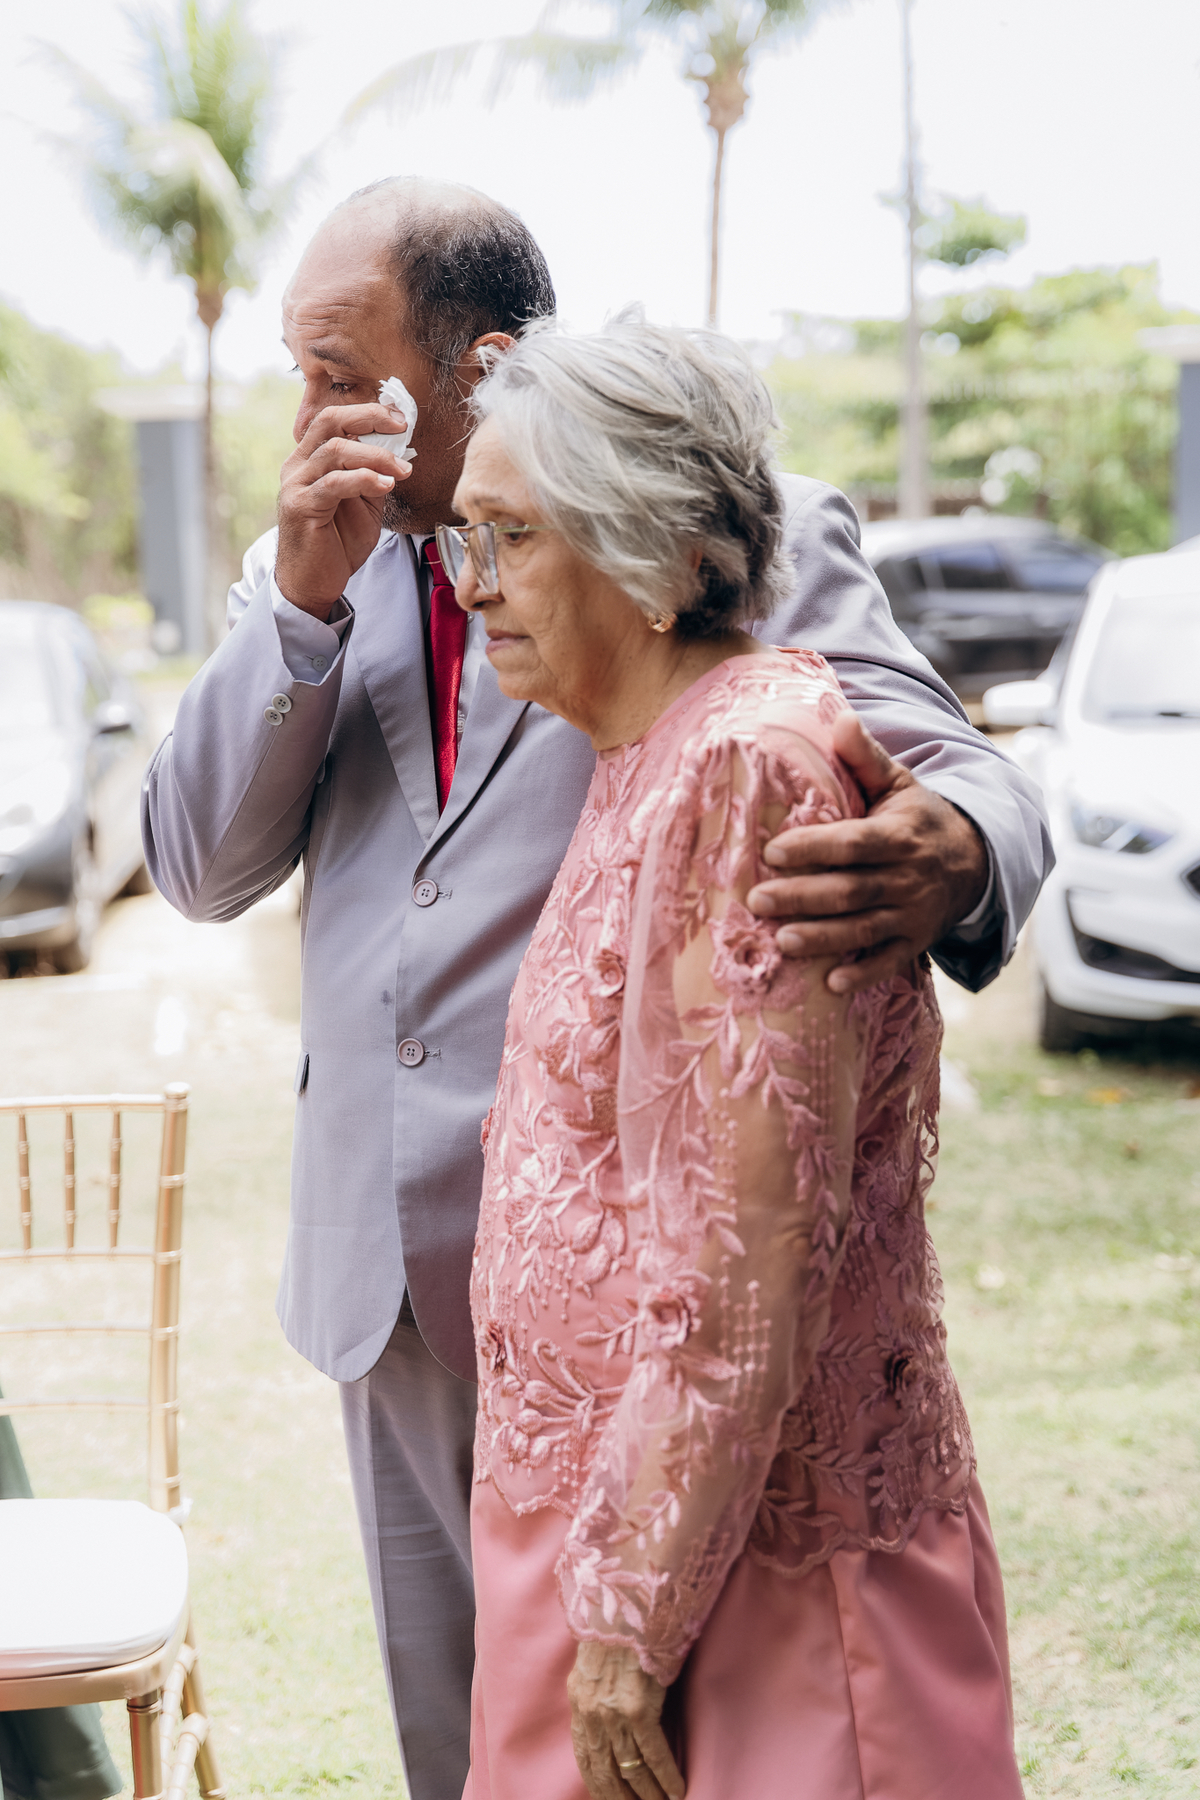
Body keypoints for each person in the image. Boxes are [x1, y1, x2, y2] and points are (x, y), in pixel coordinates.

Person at [141, 177, 1048, 1800]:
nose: (312, 417)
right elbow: (199, 867)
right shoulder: (324, 570)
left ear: (481, 366)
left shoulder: (689, 509)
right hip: (395, 1291)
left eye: (346, 374)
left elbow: (942, 767)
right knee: (486, 1754)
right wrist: (291, 600)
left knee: (702, 1741)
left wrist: (962, 846)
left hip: (673, 1312)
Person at [452, 314, 1023, 1800]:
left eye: (512, 537)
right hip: (614, 1529)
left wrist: (630, 1622)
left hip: (743, 1587)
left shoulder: (745, 770)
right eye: (469, 537)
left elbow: (739, 1265)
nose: (477, 585)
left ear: (655, 553)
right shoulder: (645, 748)